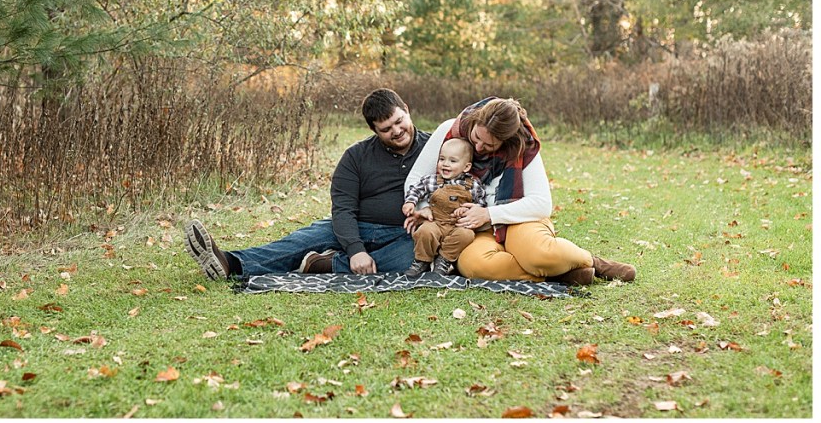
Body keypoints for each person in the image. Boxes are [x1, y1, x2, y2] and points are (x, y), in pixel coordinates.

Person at [183, 88, 429, 279]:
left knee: (414, 258)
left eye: (399, 121)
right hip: (358, 225)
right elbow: (343, 208)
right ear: (374, 130)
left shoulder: (435, 149)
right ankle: (230, 263)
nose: (397, 131)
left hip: (405, 232)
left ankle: (326, 264)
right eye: (386, 129)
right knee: (302, 241)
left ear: (406, 110)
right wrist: (355, 249)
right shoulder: (356, 156)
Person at [404, 97, 636, 285]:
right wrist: (427, 210)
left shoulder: (522, 147)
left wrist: (488, 214)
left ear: (506, 141)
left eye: (489, 145)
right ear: (474, 122)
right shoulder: (450, 130)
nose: (478, 147)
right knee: (474, 266)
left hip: (517, 219)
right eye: (476, 137)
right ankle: (560, 274)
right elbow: (415, 179)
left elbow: (541, 204)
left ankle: (592, 262)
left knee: (541, 255)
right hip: (471, 229)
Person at [400, 138, 484, 277]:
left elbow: (481, 204)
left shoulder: (473, 185)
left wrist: (468, 209)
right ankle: (422, 261)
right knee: (425, 232)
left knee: (466, 235)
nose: (445, 164)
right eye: (442, 159)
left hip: (458, 224)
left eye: (453, 161)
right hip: (435, 221)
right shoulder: (432, 180)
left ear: (466, 167)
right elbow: (416, 190)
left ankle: (444, 261)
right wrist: (410, 202)